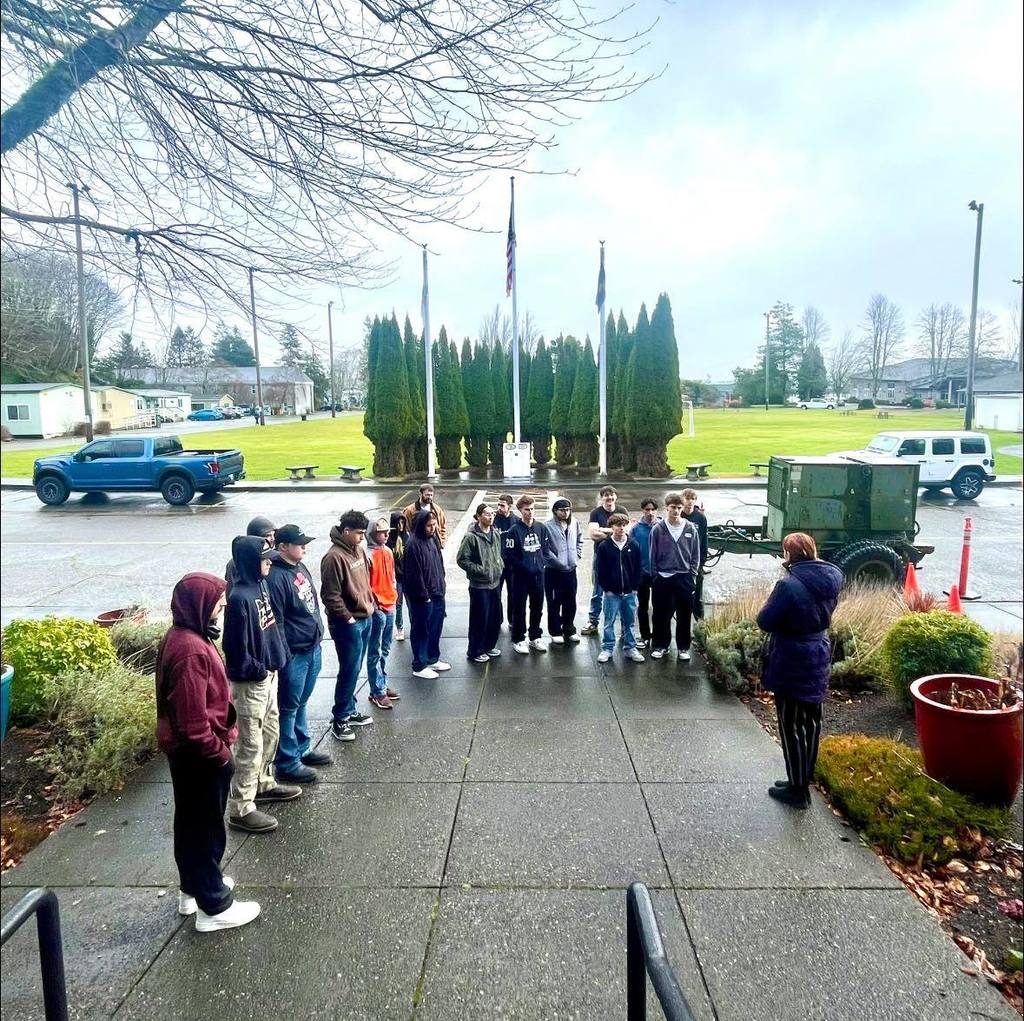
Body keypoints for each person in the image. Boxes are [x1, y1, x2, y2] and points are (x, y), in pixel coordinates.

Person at [156, 572, 260, 932]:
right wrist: (220, 754)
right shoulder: (191, 651)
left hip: (188, 754)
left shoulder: (182, 637)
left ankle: (194, 889)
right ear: (201, 604)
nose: (224, 605)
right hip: (200, 756)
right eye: (218, 600)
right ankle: (213, 907)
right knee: (205, 829)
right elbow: (192, 722)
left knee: (190, 824)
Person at [756, 533, 843, 809]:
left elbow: (765, 621)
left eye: (785, 552)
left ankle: (797, 790)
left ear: (790, 555)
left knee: (791, 725)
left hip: (793, 656)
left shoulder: (789, 586)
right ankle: (801, 779)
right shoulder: (832, 578)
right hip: (818, 651)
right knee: (811, 722)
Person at [223, 535, 299, 834]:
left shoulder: (261, 584)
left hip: (269, 676)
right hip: (251, 683)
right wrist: (258, 670)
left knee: (270, 732)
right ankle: (241, 808)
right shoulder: (239, 597)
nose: (270, 561)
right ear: (250, 561)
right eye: (264, 558)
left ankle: (263, 784)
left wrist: (279, 657)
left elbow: (271, 627)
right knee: (249, 745)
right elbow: (235, 650)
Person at [266, 524, 331, 784]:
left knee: (301, 702)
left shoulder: (299, 566)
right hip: (295, 653)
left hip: (312, 647)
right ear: (283, 547)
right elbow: (278, 623)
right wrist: (284, 655)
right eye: (299, 543)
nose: (304, 546)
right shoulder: (276, 578)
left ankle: (302, 748)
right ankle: (287, 761)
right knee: (289, 707)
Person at [320, 510, 376, 742]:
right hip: (348, 624)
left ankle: (350, 709)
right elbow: (330, 596)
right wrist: (348, 618)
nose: (363, 538)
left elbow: (365, 581)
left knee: (355, 669)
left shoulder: (359, 550)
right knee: (348, 670)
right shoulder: (333, 558)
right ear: (346, 531)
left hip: (365, 618)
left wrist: (371, 603)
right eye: (359, 533)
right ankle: (340, 718)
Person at [649, 493, 701, 661]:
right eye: (673, 508)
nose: (676, 511)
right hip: (663, 577)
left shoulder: (690, 528)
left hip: (684, 577)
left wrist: (692, 575)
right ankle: (661, 645)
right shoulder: (658, 529)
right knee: (661, 614)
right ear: (667, 508)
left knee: (685, 614)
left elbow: (695, 555)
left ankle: (683, 647)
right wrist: (655, 576)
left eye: (679, 508)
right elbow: (652, 555)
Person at [403, 510, 450, 678]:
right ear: (420, 526)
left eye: (434, 525)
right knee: (421, 631)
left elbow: (440, 563)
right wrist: (425, 596)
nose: (433, 528)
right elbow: (414, 575)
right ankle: (419, 665)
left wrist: (442, 585)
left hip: (437, 592)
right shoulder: (413, 544)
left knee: (435, 629)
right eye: (429, 525)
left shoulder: (433, 539)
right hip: (423, 598)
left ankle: (432, 658)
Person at [456, 503, 504, 662]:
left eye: (492, 514)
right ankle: (475, 650)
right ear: (478, 516)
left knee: (494, 617)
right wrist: (480, 569)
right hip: (479, 585)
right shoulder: (471, 537)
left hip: (495, 582)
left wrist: (499, 566)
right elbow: (462, 559)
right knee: (479, 619)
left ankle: (489, 646)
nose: (491, 517)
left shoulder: (495, 533)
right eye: (487, 514)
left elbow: (498, 553)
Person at [594, 513, 645, 664]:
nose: (621, 528)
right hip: (611, 593)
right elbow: (600, 570)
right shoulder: (604, 546)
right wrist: (606, 588)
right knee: (609, 621)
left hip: (630, 592)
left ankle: (630, 648)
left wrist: (635, 587)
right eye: (618, 525)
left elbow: (637, 568)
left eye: (624, 525)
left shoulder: (633, 545)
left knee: (629, 622)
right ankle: (607, 648)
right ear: (612, 527)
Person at [366, 516, 403, 709]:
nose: (387, 534)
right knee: (375, 650)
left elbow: (392, 576)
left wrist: (394, 596)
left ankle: (381, 683)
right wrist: (375, 606)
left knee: (385, 649)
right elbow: (365, 585)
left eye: (387, 531)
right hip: (378, 609)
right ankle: (377, 690)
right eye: (382, 531)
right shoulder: (367, 554)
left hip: (390, 604)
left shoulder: (387, 551)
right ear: (372, 533)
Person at [505, 495, 548, 654]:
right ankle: (518, 638)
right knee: (519, 608)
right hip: (520, 577)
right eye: (526, 510)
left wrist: (540, 565)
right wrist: (523, 567)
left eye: (531, 509)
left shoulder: (541, 527)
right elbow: (509, 555)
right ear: (520, 511)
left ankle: (535, 636)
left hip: (538, 575)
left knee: (537, 607)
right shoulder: (514, 531)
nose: (529, 512)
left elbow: (544, 548)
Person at [581, 486, 626, 636]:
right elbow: (593, 534)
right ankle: (593, 621)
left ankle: (623, 626)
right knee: (597, 590)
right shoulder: (596, 513)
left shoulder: (622, 510)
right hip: (600, 556)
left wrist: (604, 531)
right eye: (606, 496)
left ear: (616, 497)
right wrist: (614, 532)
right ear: (602, 498)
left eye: (612, 495)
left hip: (619, 556)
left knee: (621, 590)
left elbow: (627, 532)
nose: (609, 498)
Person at [542, 497, 582, 644]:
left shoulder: (574, 523)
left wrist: (576, 556)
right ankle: (555, 631)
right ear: (555, 511)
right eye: (562, 510)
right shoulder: (546, 526)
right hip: (553, 572)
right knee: (554, 602)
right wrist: (558, 562)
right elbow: (545, 550)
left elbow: (580, 540)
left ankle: (569, 629)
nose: (565, 513)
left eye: (567, 510)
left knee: (570, 602)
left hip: (571, 570)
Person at [630, 498, 660, 648]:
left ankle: (658, 637)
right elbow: (631, 551)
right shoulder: (636, 529)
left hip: (658, 574)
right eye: (647, 510)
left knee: (659, 606)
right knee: (642, 607)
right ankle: (645, 636)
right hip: (642, 574)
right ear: (643, 510)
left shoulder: (661, 527)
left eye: (653, 510)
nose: (650, 513)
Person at [225, 515, 276, 596]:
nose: (273, 539)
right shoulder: (237, 563)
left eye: (273, 535)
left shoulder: (274, 556)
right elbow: (231, 592)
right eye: (268, 535)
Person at [680, 489, 709, 619]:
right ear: (682, 500)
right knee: (681, 599)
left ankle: (700, 628)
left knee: (697, 598)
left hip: (696, 563)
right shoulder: (678, 516)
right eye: (687, 498)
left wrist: (702, 562)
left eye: (693, 499)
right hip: (680, 563)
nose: (690, 501)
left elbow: (704, 541)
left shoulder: (700, 518)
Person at [493, 494, 518, 625]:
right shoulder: (493, 519)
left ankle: (512, 620)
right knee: (496, 594)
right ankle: (497, 620)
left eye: (502, 505)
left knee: (513, 594)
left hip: (512, 565)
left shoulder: (516, 521)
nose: (499, 508)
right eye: (498, 505)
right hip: (497, 564)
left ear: (509, 507)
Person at [404, 482, 448, 548]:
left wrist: (442, 541)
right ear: (420, 494)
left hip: (434, 544)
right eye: (427, 495)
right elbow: (406, 529)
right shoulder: (409, 511)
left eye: (431, 495)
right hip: (418, 545)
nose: (429, 497)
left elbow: (443, 527)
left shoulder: (437, 510)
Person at [388, 511, 409, 641]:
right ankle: (399, 627)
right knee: (398, 603)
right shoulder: (389, 540)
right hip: (396, 577)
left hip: (408, 575)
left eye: (403, 522)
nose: (401, 525)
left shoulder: (407, 536)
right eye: (398, 522)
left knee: (412, 602)